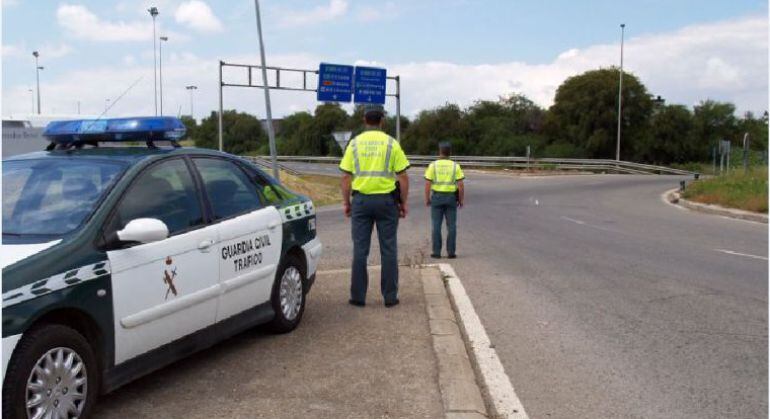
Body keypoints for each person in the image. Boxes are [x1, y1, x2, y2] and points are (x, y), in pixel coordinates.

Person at [339, 104, 410, 307]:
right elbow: (403, 177)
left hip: (361, 202)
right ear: (382, 121)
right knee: (389, 249)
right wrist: (403, 202)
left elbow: (346, 177)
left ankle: (358, 297)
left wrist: (346, 202)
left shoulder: (354, 144)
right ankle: (390, 297)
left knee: (360, 250)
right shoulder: (391, 143)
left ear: (364, 120)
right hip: (387, 202)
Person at [424, 142, 464, 259]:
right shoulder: (455, 166)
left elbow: (428, 184)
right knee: (451, 226)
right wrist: (461, 199)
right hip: (451, 198)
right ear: (450, 152)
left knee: (436, 225)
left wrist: (427, 198)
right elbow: (461, 185)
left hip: (437, 197)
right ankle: (451, 252)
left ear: (440, 151)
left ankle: (436, 252)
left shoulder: (433, 165)